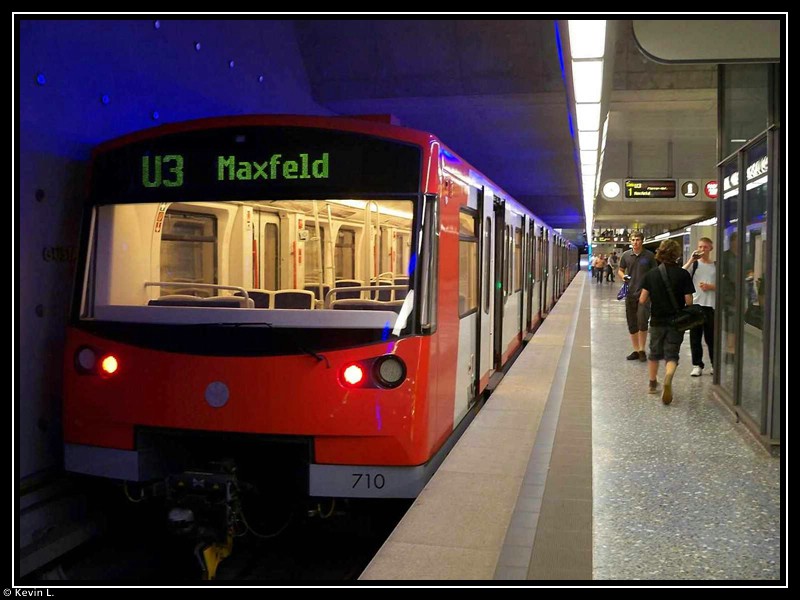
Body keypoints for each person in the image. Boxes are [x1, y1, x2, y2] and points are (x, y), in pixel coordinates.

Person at [639, 239, 696, 404]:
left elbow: (642, 299)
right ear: (677, 255)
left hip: (657, 320)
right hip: (676, 321)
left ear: (660, 253)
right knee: (672, 354)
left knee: (654, 353)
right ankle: (668, 377)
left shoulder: (651, 274)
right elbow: (689, 301)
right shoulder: (683, 274)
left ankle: (652, 384)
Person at [617, 231, 657, 361]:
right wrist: (623, 277)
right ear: (630, 241)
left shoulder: (649, 256)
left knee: (642, 321)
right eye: (633, 240)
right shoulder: (626, 255)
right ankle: (635, 350)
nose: (635, 242)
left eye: (638, 240)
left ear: (642, 241)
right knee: (632, 322)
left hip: (644, 294)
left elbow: (654, 273)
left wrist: (649, 290)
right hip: (630, 293)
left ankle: (642, 349)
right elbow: (620, 270)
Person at [682, 237, 715, 376]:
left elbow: (723, 284)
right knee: (695, 337)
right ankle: (697, 364)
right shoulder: (694, 265)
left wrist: (711, 287)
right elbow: (681, 273)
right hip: (696, 304)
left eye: (705, 247)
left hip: (711, 305)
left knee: (711, 337)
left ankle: (714, 364)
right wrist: (691, 260)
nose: (702, 250)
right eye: (700, 247)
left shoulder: (716, 265)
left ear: (711, 249)